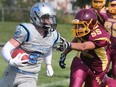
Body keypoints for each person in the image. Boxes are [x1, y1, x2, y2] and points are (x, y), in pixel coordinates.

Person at [0, 2, 61, 87]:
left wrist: (48, 64)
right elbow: (5, 49)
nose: (50, 21)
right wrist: (11, 61)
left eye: (50, 18)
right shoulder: (27, 31)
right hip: (13, 72)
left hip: (31, 76)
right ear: (36, 17)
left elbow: (48, 47)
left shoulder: (53, 34)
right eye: (46, 18)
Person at [58, 9, 115, 87]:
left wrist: (67, 44)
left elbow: (83, 46)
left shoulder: (102, 36)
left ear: (91, 24)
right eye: (78, 25)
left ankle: (108, 81)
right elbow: (77, 40)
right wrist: (64, 53)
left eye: (81, 25)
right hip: (82, 60)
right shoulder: (86, 29)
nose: (78, 28)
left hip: (98, 67)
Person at [103, 0, 116, 79]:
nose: (114, 7)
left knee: (115, 71)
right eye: (113, 5)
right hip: (105, 48)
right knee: (102, 70)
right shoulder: (103, 14)